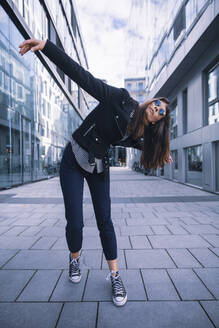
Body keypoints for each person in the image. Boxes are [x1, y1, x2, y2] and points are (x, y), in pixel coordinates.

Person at [18, 38, 173, 307]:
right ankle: (74, 258)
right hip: (74, 157)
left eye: (160, 112)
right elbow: (83, 77)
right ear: (151, 101)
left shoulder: (140, 132)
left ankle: (114, 276)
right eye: (157, 103)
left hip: (99, 166)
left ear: (159, 120)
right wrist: (48, 47)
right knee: (75, 222)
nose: (156, 108)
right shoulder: (120, 98)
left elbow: (148, 148)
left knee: (105, 221)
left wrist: (163, 152)